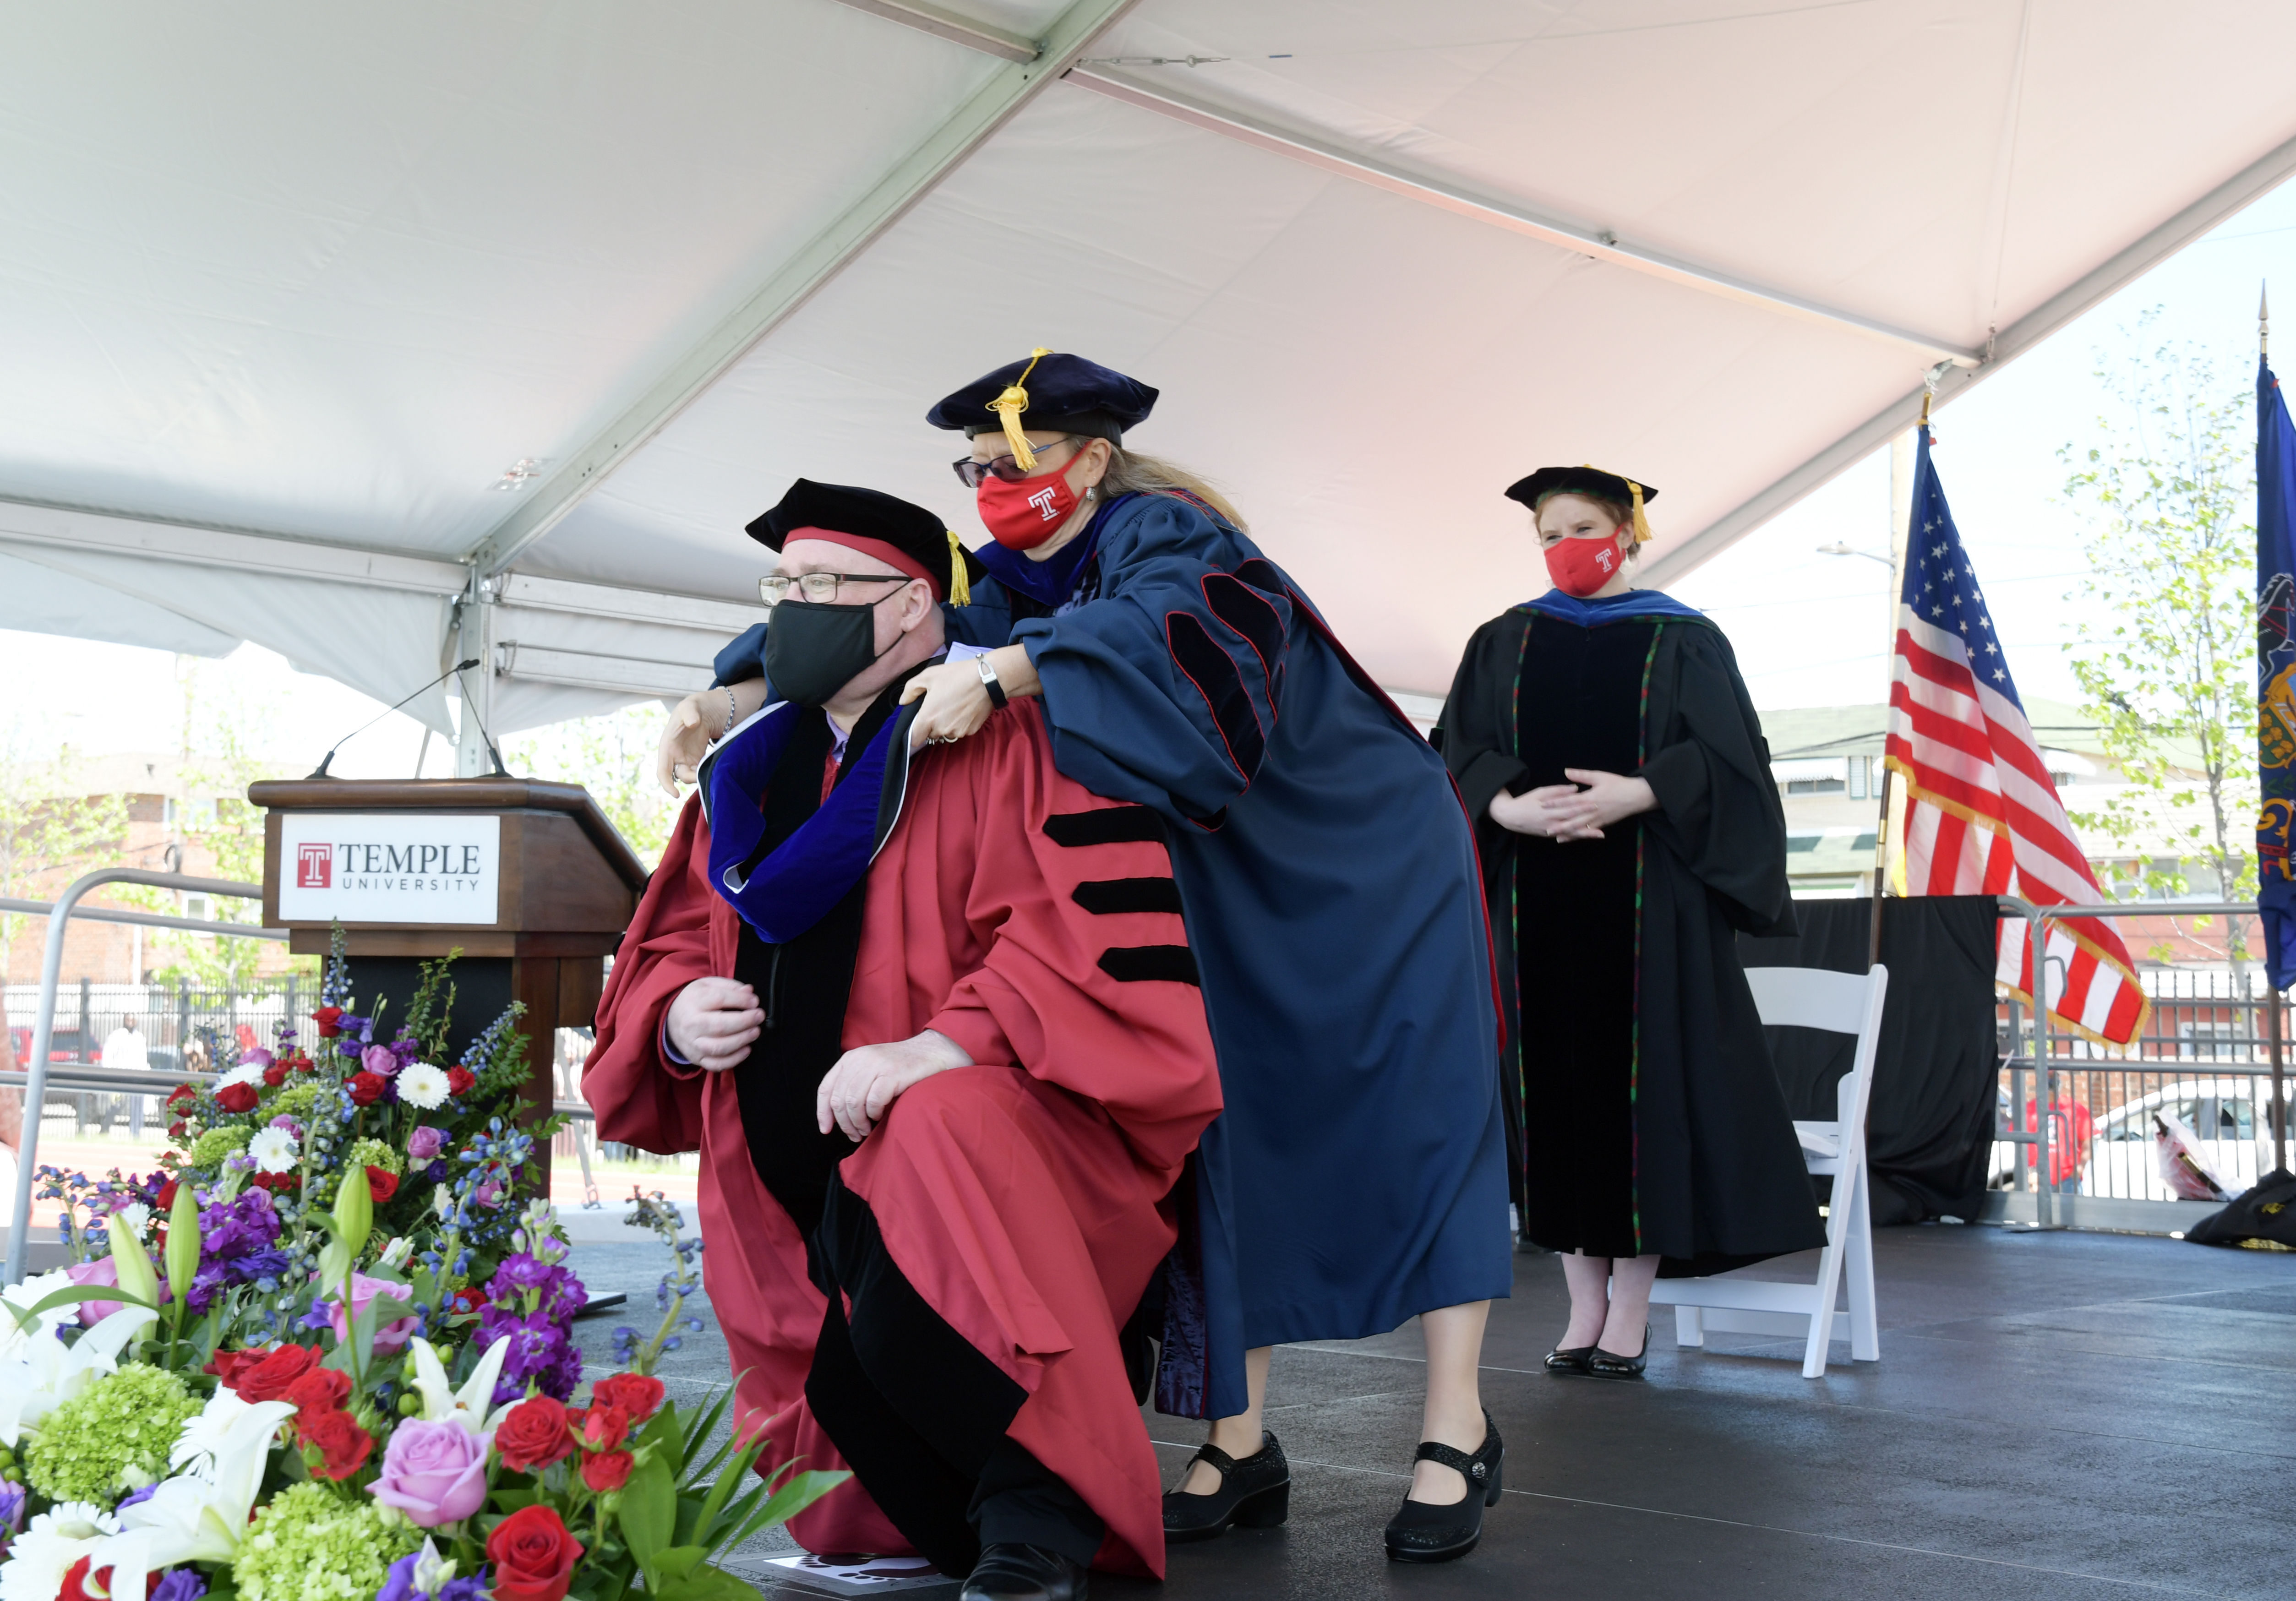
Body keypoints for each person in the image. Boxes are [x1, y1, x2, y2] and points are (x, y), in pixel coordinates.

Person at [664, 351, 1511, 1564]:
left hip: (1361, 856)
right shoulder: (1018, 572)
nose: (994, 484)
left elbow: (1159, 639)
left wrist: (1015, 670)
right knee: (1234, 1134)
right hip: (1224, 874)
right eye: (978, 467)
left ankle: (1453, 1428)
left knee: (1420, 1125)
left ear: (1092, 460)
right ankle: (1240, 1439)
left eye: (1016, 461)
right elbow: (891, 624)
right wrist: (724, 694)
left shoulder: (1168, 533)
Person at [587, 479, 1224, 1601]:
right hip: (775, 1153)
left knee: (937, 1147)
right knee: (836, 1518)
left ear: (909, 606)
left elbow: (1073, 930)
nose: (790, 608)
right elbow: (676, 932)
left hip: (971, 1125)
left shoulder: (1008, 733)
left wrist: (943, 1046)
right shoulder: (746, 770)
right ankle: (878, 1517)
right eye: (778, 587)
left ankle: (1033, 1512)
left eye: (819, 585)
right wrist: (677, 1014)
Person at [1435, 466, 1823, 1380]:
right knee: (1552, 1092)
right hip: (1534, 903)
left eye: (1577, 527)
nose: (1560, 547)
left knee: (1639, 1098)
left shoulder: (1683, 638)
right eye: (1545, 533)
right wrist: (1502, 807)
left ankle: (1630, 1307)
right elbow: (1456, 749)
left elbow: (1730, 762)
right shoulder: (1503, 638)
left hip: (1653, 901)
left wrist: (1645, 788)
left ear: (1626, 530)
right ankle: (1579, 1300)